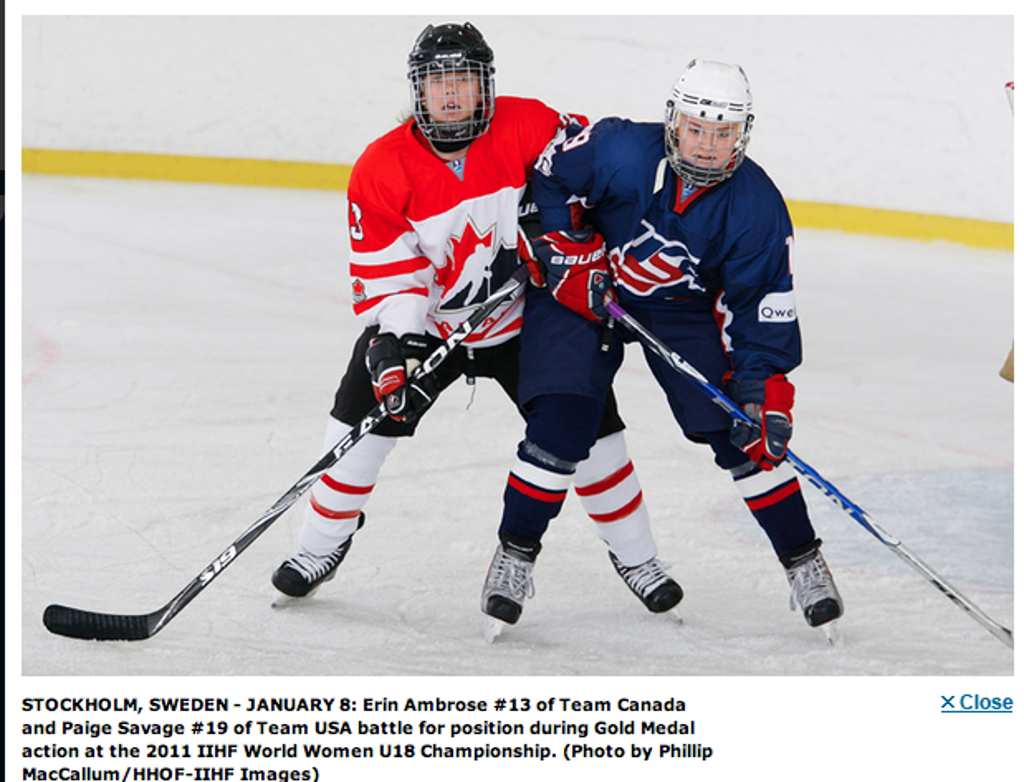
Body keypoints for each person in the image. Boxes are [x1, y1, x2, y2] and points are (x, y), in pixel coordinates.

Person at [271, 22, 683, 619]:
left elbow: (594, 179)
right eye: (438, 82)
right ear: (418, 91)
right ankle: (317, 547)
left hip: (528, 322)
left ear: (486, 85)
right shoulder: (381, 168)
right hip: (432, 328)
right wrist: (396, 349)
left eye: (464, 79)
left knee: (596, 437)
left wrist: (563, 233)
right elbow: (393, 280)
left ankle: (638, 556)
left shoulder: (531, 125)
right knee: (354, 435)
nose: (452, 94)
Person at [482, 58, 843, 633]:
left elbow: (760, 308)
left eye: (723, 134)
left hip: (678, 309)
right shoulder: (619, 148)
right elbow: (549, 179)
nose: (707, 146)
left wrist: (765, 387)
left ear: (741, 135)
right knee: (561, 417)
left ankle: (804, 562)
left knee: (743, 431)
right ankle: (515, 555)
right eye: (697, 129)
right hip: (586, 287)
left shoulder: (757, 207)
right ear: (674, 123)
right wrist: (563, 248)